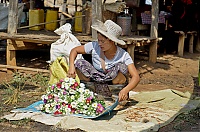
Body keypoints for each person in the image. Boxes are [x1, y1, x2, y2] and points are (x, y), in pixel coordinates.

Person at [67, 20, 140, 102]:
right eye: (99, 40)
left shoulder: (123, 55)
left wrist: (125, 90)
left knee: (121, 67)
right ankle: (88, 91)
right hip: (96, 79)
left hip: (112, 83)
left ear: (112, 41)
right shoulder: (94, 46)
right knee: (79, 63)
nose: (99, 44)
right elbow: (74, 50)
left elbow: (136, 77)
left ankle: (116, 94)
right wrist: (71, 67)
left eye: (103, 41)